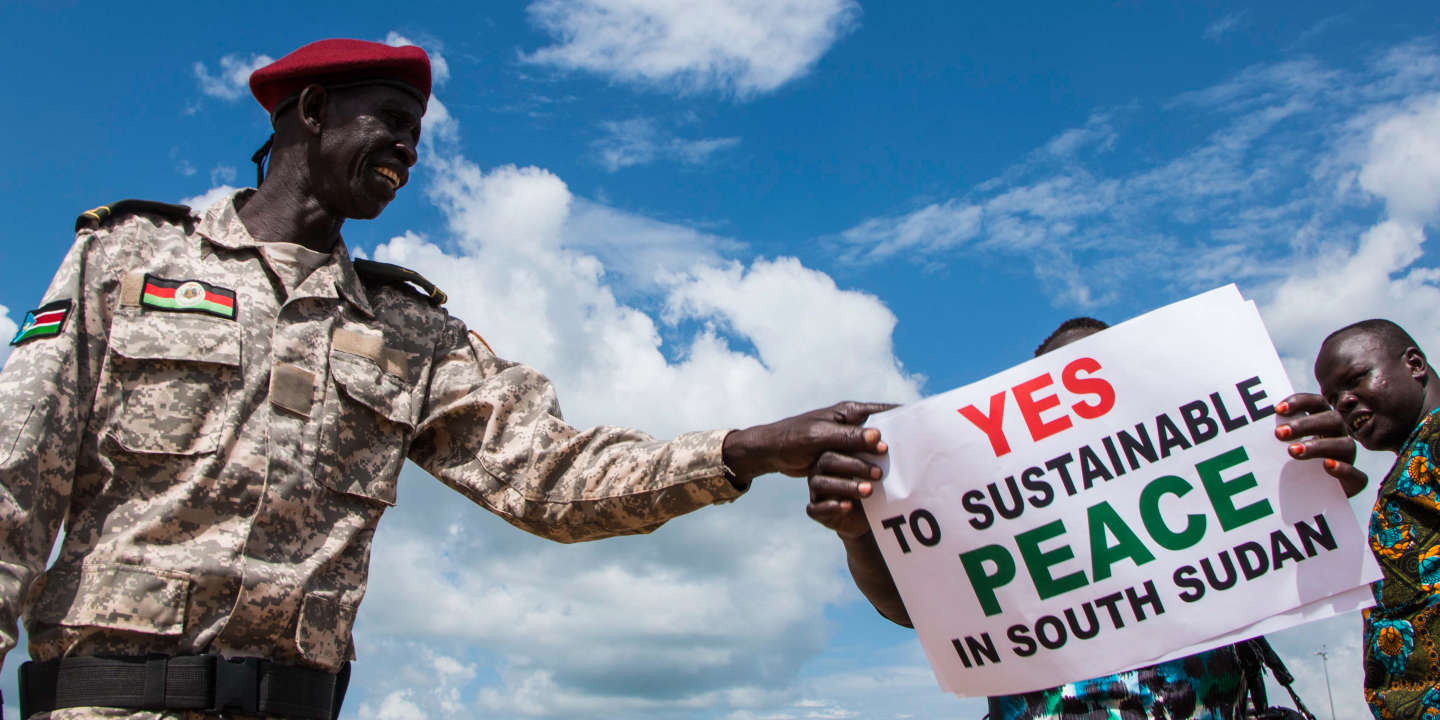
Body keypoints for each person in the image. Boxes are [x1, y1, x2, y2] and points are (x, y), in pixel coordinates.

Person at [0, 38, 890, 719]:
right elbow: (13, 479)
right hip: (101, 701)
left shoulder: (410, 330)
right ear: (310, 109)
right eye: (389, 124)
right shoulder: (129, 258)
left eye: (418, 137)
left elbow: (554, 478)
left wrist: (744, 451)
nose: (408, 152)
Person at [807, 317, 1255, 719]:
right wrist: (859, 533)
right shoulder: (994, 504)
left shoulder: (1198, 477)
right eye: (1058, 383)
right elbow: (914, 610)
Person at [1277, 318, 1440, 719]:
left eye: (1356, 379)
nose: (1343, 403)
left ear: (1415, 364)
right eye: (1333, 399)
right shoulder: (1412, 464)